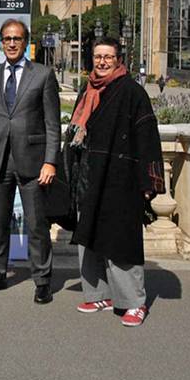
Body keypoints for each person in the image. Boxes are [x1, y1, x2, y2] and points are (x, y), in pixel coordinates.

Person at [63, 37, 165, 327]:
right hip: (89, 175)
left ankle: (134, 302)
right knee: (89, 237)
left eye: (108, 56)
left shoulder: (132, 92)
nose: (102, 61)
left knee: (121, 240)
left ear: (118, 60)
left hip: (120, 178)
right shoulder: (88, 89)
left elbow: (147, 138)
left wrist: (149, 182)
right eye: (98, 56)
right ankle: (99, 294)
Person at [0, 18, 61, 303]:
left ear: (25, 42)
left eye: (17, 38)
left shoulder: (43, 75)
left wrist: (51, 161)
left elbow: (52, 124)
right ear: (0, 42)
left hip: (34, 163)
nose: (12, 43)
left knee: (37, 224)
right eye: (7, 38)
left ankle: (42, 280)